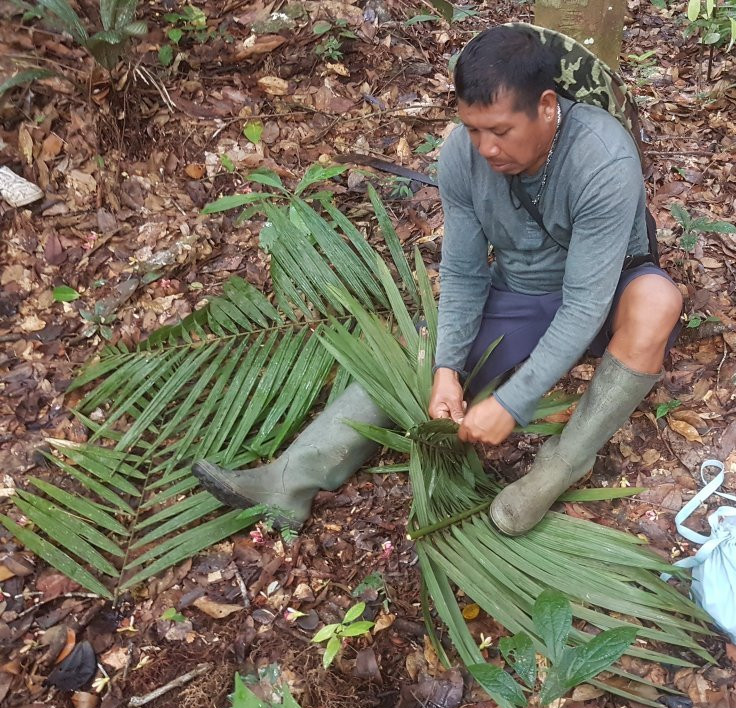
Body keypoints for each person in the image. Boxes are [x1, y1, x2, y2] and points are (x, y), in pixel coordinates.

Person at [193, 25, 684, 536]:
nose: (486, 148)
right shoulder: (462, 155)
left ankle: (558, 469)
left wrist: (512, 403)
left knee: (657, 301)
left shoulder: (602, 158)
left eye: (499, 131)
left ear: (545, 107)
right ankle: (290, 480)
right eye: (473, 129)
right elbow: (465, 272)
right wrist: (448, 365)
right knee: (424, 349)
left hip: (607, 289)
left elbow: (585, 303)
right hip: (526, 289)